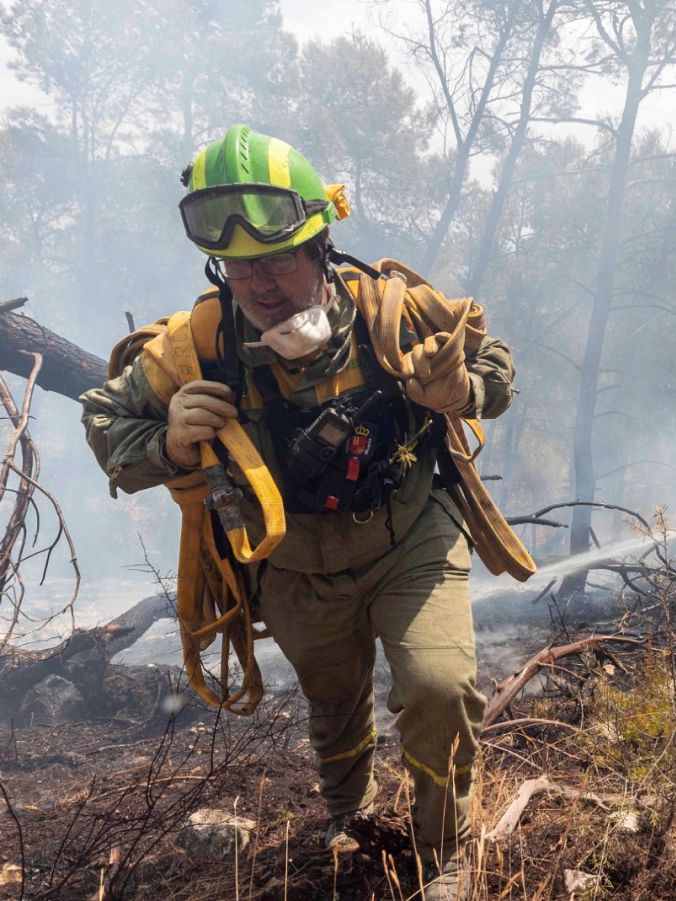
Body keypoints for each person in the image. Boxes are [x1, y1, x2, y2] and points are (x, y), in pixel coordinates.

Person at [81, 125, 519, 899]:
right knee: (333, 699)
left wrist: (462, 392)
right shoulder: (197, 346)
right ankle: (349, 815)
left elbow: (493, 364)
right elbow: (106, 422)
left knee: (439, 683)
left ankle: (442, 853)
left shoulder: (390, 312)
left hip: (410, 534)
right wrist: (172, 443)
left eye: (279, 257)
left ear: (321, 245)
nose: (262, 284)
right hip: (289, 563)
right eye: (241, 266)